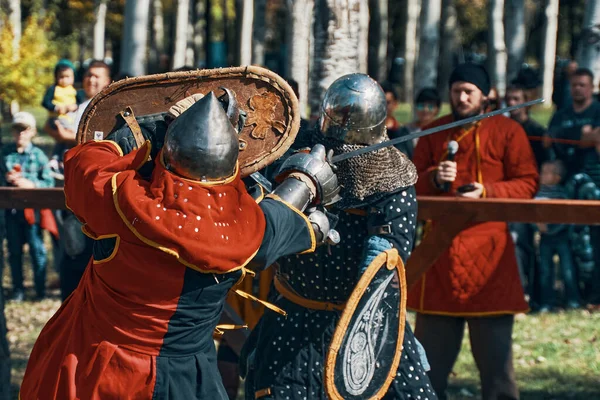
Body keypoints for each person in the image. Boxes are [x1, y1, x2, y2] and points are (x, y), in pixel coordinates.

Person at [20, 88, 339, 399]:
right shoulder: (249, 230)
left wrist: (150, 131)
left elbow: (88, 160)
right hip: (185, 379)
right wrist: (307, 180)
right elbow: (289, 215)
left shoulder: (116, 201)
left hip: (93, 366)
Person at [244, 74, 435, 400]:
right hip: (294, 316)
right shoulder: (297, 156)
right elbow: (262, 221)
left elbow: (385, 262)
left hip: (367, 324)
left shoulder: (392, 178)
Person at [409, 63, 539, 400]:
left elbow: (528, 183)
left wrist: (487, 192)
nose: (462, 97)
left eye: (469, 91)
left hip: (491, 259)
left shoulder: (509, 132)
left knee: (497, 375)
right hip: (438, 257)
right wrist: (436, 178)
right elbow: (409, 188)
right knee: (426, 374)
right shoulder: (433, 132)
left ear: (486, 94)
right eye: (456, 91)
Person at [44, 59, 113, 300]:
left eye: (97, 76)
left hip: (95, 191)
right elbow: (53, 124)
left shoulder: (108, 109)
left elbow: (100, 143)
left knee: (89, 253)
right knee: (69, 250)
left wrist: (69, 137)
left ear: (108, 82)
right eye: (88, 75)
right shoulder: (78, 105)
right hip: (67, 183)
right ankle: (70, 302)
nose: (90, 80)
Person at [505, 84, 551, 307]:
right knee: (517, 242)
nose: (512, 104)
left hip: (534, 197)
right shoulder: (503, 129)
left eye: (516, 99)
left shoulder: (536, 131)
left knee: (530, 245)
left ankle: (535, 293)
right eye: (509, 99)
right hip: (511, 197)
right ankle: (519, 291)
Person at [3, 112, 55, 302]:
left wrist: (30, 184)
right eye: (17, 129)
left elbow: (48, 183)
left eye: (24, 130)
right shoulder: (5, 154)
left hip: (33, 213)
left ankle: (39, 289)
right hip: (12, 212)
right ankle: (18, 289)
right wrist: (7, 180)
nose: (20, 134)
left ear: (32, 132)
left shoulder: (39, 156)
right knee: (14, 251)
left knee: (37, 250)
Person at [534, 160, 581, 311]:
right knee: (545, 271)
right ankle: (547, 302)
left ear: (557, 177)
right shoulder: (538, 193)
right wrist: (538, 225)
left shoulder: (562, 194)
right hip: (544, 239)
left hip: (561, 237)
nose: (542, 176)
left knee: (567, 270)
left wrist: (552, 229)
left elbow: (567, 216)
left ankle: (573, 300)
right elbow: (531, 212)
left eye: (546, 173)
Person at [386, 84, 441, 159]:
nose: (425, 110)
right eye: (421, 106)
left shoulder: (441, 131)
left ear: (437, 110)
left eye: (430, 106)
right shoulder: (404, 132)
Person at [41, 59, 85, 132]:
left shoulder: (74, 90)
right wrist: (56, 108)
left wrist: (75, 106)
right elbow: (45, 102)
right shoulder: (54, 89)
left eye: (67, 77)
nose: (64, 80)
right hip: (56, 117)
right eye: (61, 77)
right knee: (68, 129)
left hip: (69, 118)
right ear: (56, 77)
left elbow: (79, 101)